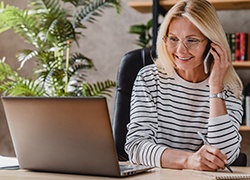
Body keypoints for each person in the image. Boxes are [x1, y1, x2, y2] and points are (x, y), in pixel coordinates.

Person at [125, 0, 243, 171]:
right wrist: (188, 160)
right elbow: (136, 147)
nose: (180, 50)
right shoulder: (149, 78)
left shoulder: (229, 87)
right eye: (173, 39)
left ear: (212, 44)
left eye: (192, 40)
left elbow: (223, 156)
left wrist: (215, 87)